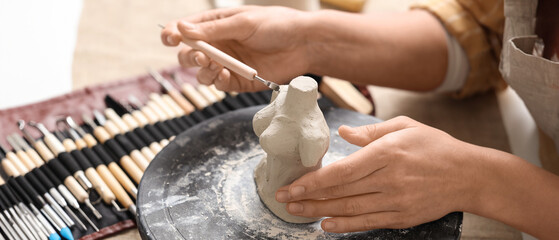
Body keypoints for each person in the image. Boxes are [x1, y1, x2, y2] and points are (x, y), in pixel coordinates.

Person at [160, 0, 559, 238]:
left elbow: (311, 143)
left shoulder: (311, 126)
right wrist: (311, 41)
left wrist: (484, 181)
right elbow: (489, 32)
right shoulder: (280, 110)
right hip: (273, 182)